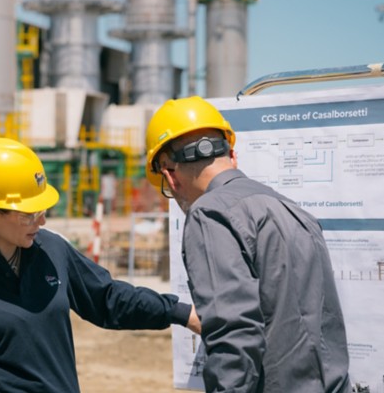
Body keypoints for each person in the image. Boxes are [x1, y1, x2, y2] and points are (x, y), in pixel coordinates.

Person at [0, 137, 200, 392]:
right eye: (32, 213)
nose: (42, 221)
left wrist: (180, 312)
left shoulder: (51, 250)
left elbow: (107, 299)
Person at [144, 96, 351, 392]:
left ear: (169, 174)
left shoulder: (210, 214)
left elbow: (233, 333)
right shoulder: (295, 211)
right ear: (232, 156)